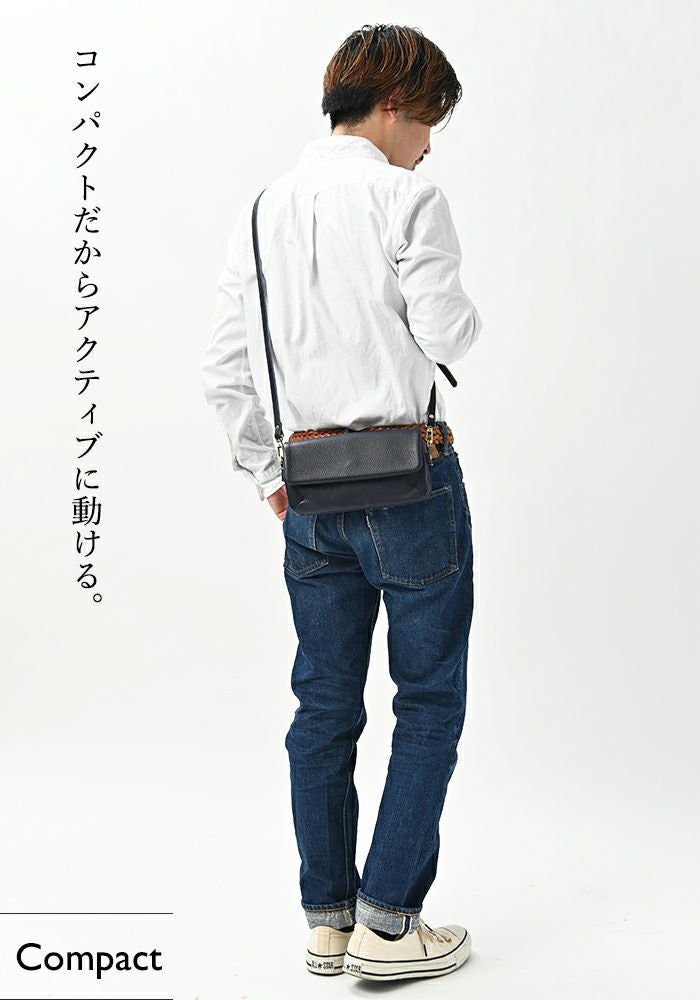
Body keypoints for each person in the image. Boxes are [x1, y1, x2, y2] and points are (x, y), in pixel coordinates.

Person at [200, 23, 483, 982]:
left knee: (322, 706)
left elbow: (224, 370)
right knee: (428, 701)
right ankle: (390, 926)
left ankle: (328, 921)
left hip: (311, 492)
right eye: (429, 121)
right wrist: (454, 312)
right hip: (411, 485)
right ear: (394, 103)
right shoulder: (409, 198)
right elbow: (449, 333)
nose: (430, 144)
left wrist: (268, 476)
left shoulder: (262, 210)